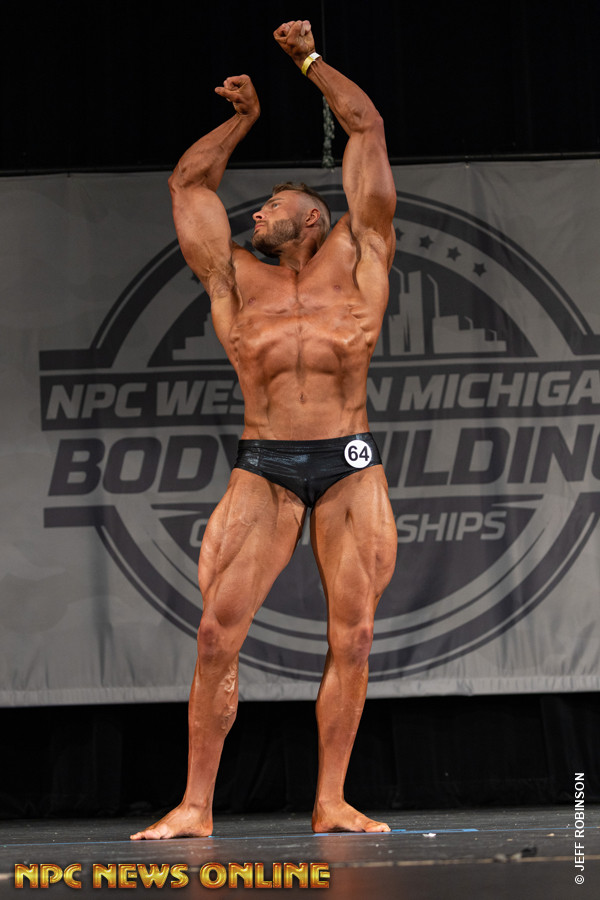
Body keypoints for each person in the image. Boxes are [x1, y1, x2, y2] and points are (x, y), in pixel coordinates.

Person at [131, 18, 398, 840]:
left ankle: (331, 800)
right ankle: (195, 805)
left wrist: (308, 62)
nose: (257, 213)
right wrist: (242, 119)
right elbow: (187, 183)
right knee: (217, 634)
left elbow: (366, 127)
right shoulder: (233, 276)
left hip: (350, 464)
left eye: (273, 206)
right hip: (264, 464)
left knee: (354, 637)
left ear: (311, 217)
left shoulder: (362, 250)